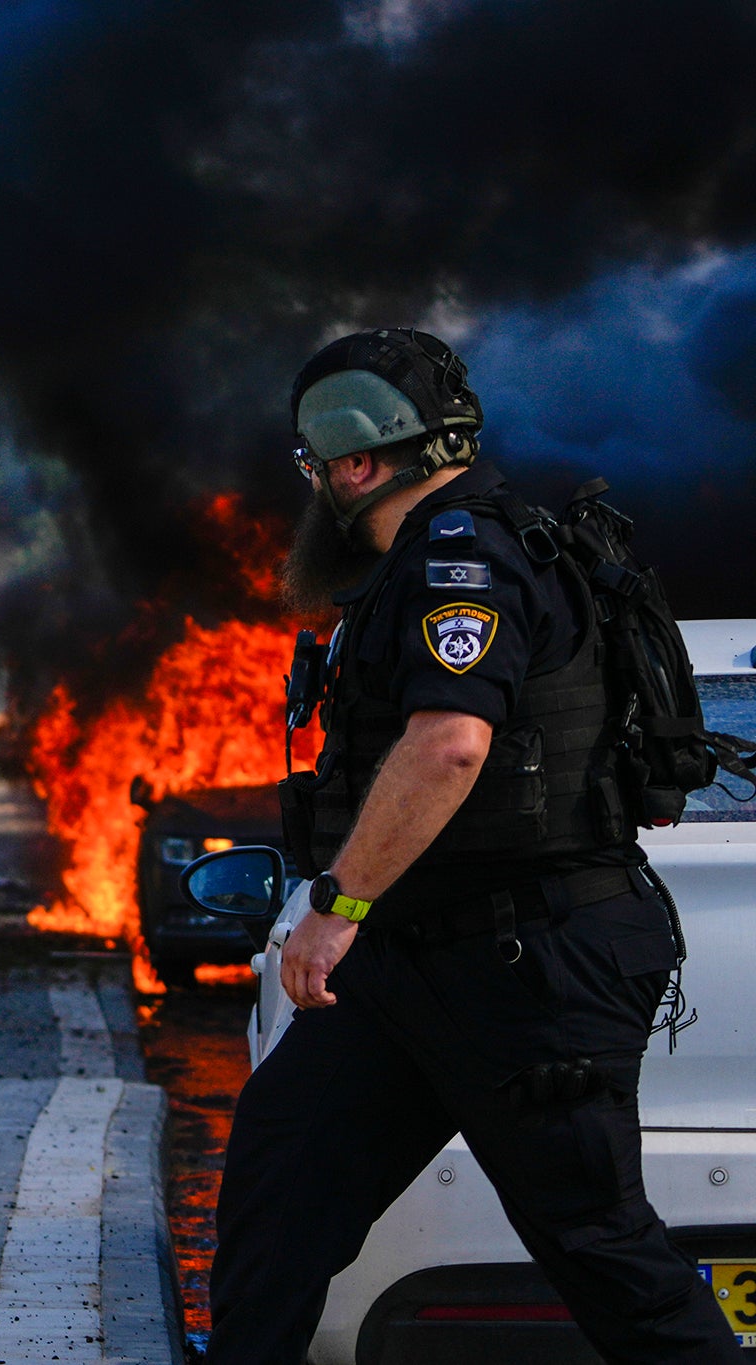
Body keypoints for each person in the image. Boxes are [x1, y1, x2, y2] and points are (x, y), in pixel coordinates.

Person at [206, 328, 741, 1362]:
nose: (312, 488)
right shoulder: (432, 557)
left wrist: (335, 908)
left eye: (313, 467)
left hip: (526, 967)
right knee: (280, 1194)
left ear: (356, 463)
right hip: (415, 964)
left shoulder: (464, 558)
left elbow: (448, 745)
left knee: (598, 1246)